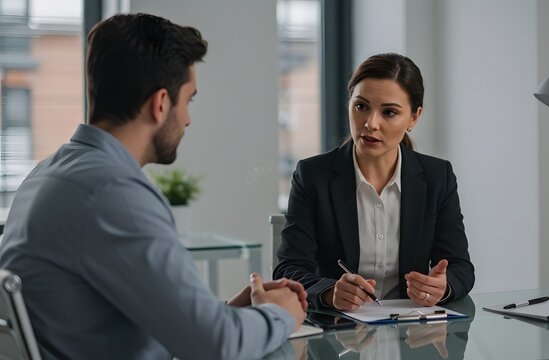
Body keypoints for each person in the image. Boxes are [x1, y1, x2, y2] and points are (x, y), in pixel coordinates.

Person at [0, 13, 307, 360]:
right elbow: (218, 347)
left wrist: (227, 313)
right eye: (188, 100)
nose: (189, 118)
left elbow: (167, 324)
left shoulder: (48, 174)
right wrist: (281, 313)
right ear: (160, 104)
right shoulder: (112, 193)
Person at [274, 53, 474, 311]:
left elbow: (461, 267)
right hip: (338, 335)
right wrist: (329, 292)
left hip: (411, 333)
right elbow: (289, 268)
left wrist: (442, 287)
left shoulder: (437, 177)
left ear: (414, 117)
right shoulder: (313, 175)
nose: (370, 123)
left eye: (389, 112)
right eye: (361, 106)